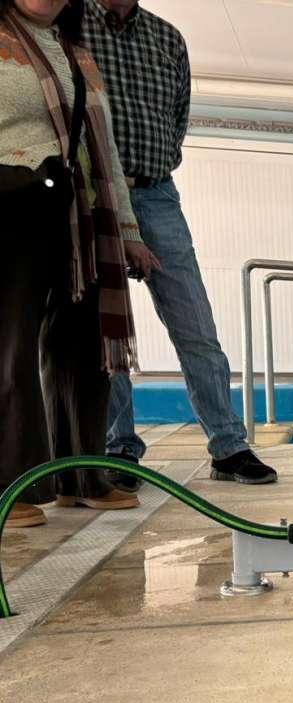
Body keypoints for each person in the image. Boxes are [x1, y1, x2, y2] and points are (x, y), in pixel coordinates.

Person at [82, 0, 276, 488]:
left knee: (196, 325)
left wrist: (152, 168)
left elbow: (178, 117)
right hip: (92, 194)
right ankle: (119, 450)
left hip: (157, 194)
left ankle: (229, 446)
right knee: (107, 332)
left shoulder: (167, 39)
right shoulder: (71, 22)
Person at [0, 0, 158, 525]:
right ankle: (10, 486)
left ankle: (82, 477)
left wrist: (129, 231)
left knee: (83, 349)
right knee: (10, 348)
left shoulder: (77, 54)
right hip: (10, 204)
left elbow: (104, 150)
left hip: (78, 212)